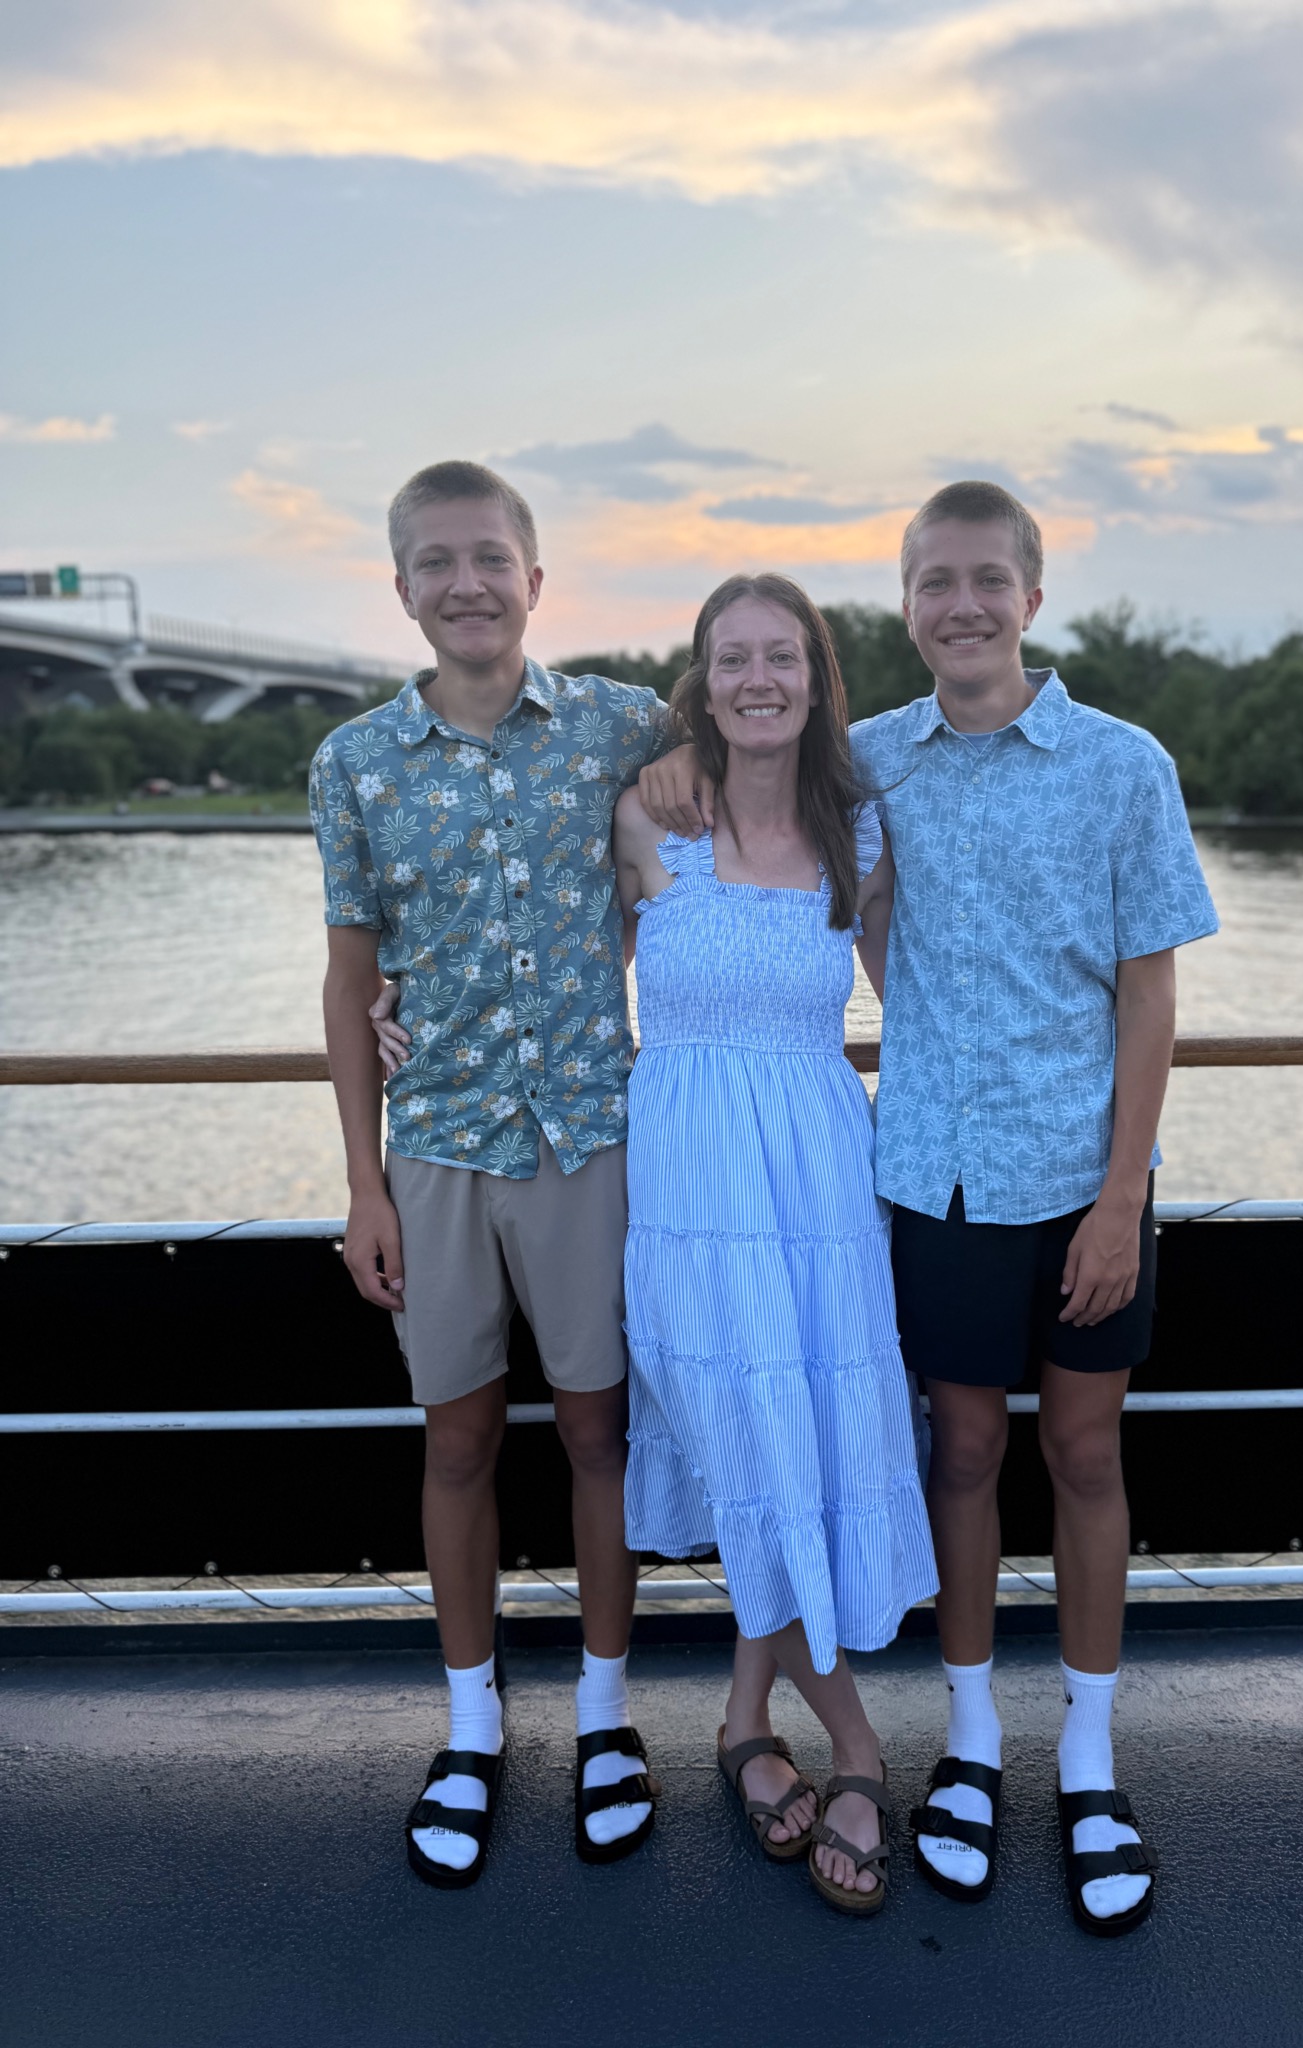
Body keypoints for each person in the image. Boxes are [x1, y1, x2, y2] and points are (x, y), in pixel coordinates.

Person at [641, 481, 1218, 1935]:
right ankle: (969, 1746)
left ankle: (1089, 1761)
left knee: (1084, 1454)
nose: (962, 605)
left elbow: (1152, 994)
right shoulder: (870, 767)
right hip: (938, 1175)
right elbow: (745, 783)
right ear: (903, 606)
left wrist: (1124, 1193)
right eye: (934, 583)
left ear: (1032, 595)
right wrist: (675, 749)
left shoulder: (1123, 763)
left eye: (987, 580)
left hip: (1084, 1181)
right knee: (960, 1451)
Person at [311, 459, 672, 1887]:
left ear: (535, 578)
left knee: (598, 1436)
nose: (466, 584)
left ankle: (605, 1712)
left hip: (589, 1140)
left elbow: (760, 757)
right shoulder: (354, 762)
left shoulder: (620, 727)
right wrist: (364, 1186)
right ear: (402, 588)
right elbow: (349, 983)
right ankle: (472, 1722)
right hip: (438, 1150)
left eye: (489, 558)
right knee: (456, 1444)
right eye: (436, 562)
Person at [613, 573, 939, 1917]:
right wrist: (402, 1000)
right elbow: (560, 971)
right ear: (702, 681)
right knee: (745, 1441)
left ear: (816, 677)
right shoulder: (650, 815)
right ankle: (858, 1745)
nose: (759, 679)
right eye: (733, 658)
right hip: (691, 1187)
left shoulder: (859, 828)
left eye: (782, 657)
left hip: (820, 1181)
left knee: (797, 1449)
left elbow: (920, 999)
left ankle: (748, 1720)